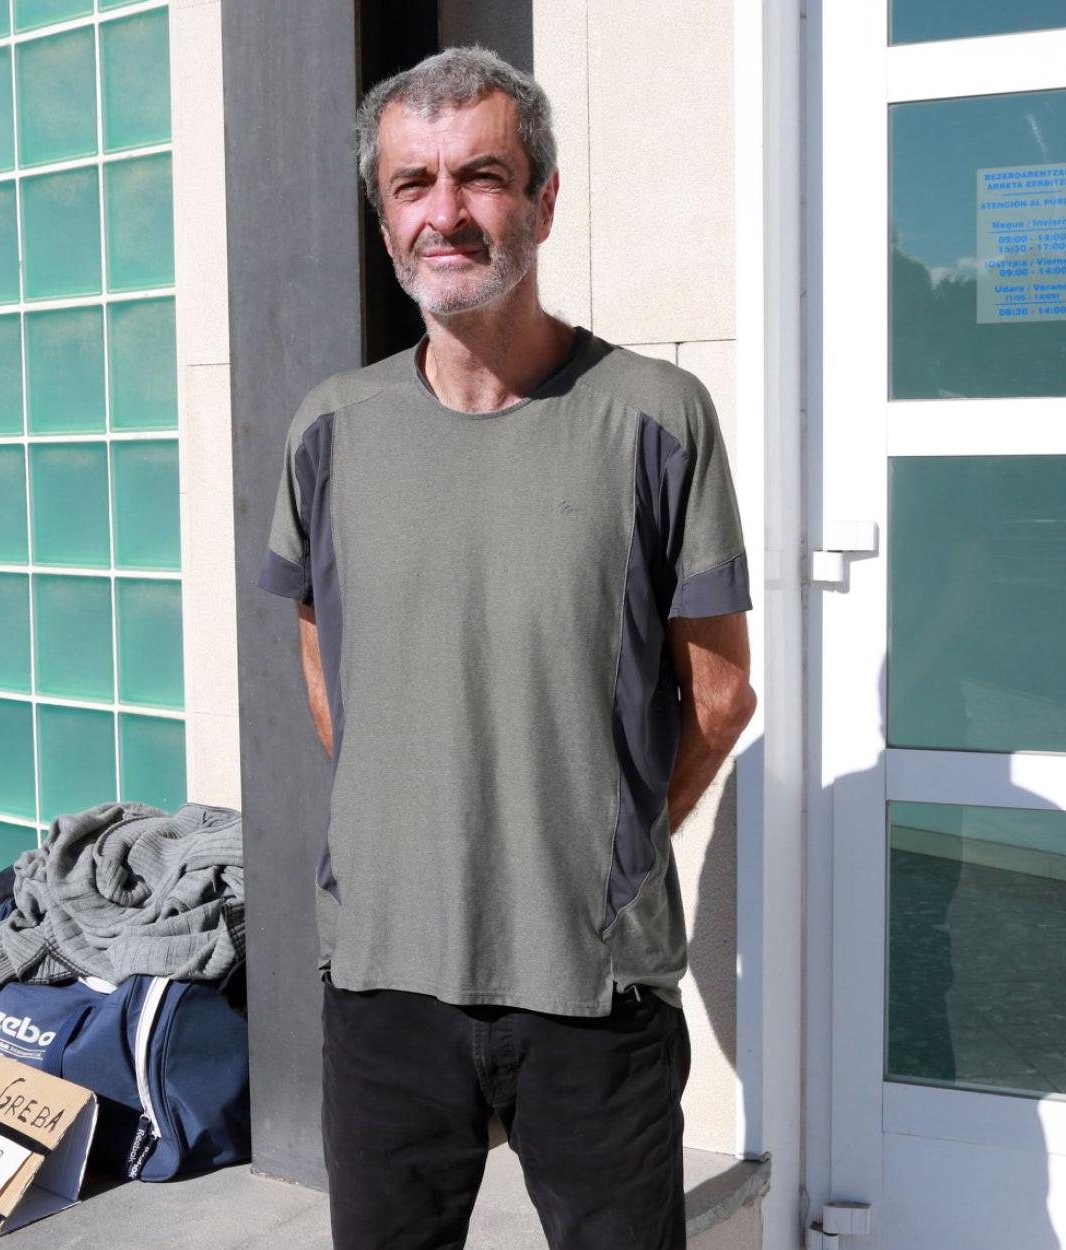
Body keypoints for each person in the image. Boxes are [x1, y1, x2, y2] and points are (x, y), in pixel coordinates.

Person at [255, 45, 757, 1250]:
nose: (446, 214)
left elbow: (720, 691)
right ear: (383, 219)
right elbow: (323, 647)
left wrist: (610, 849)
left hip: (591, 985)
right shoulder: (332, 425)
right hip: (383, 976)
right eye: (412, 185)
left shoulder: (653, 414)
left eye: (481, 176)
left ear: (543, 199)